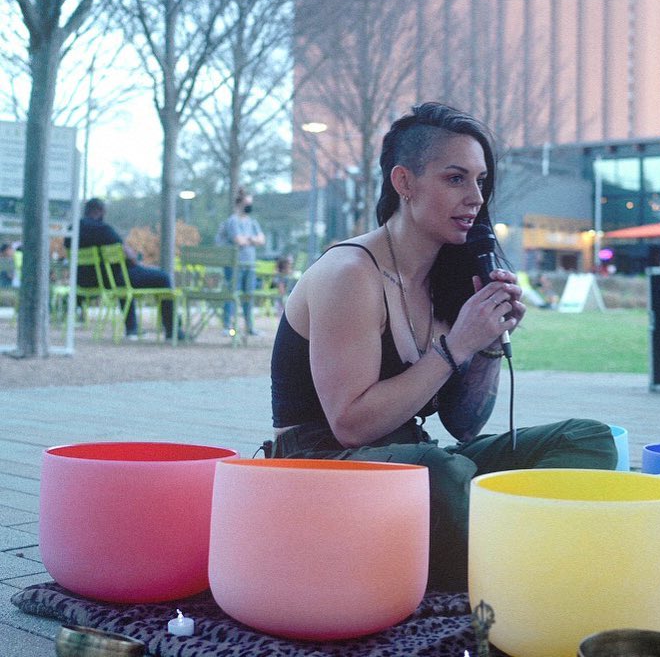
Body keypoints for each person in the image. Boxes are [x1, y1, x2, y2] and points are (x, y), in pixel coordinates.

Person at [268, 103, 617, 591]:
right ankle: (533, 565)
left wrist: (488, 343)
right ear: (404, 182)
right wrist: (457, 345)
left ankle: (515, 553)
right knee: (443, 471)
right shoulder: (350, 274)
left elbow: (463, 424)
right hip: (320, 469)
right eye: (455, 179)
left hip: (411, 461)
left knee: (587, 439)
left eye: (481, 181)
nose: (475, 197)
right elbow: (350, 425)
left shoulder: (447, 277)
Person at [71, 198, 180, 341]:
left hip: (84, 281)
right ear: (101, 211)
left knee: (123, 280)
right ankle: (172, 330)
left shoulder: (73, 230)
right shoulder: (104, 230)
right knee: (162, 277)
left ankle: (132, 328)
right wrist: (136, 262)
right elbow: (128, 254)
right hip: (113, 279)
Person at [216, 187, 265, 336]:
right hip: (234, 266)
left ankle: (249, 327)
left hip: (250, 265)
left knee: (248, 296)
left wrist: (248, 239)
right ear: (239, 204)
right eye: (246, 203)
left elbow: (261, 240)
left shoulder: (253, 222)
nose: (249, 206)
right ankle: (227, 326)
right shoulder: (233, 221)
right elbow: (239, 240)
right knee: (232, 295)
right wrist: (253, 240)